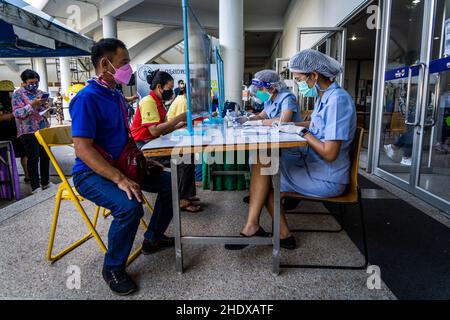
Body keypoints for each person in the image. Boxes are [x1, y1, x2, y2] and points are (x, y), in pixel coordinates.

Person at [70, 38, 175, 296]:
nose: (128, 68)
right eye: (124, 63)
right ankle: (113, 268)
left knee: (172, 184)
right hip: (90, 173)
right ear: (105, 64)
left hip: (120, 166)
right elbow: (83, 149)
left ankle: (152, 238)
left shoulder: (114, 95)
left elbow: (122, 138)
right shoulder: (87, 98)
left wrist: (140, 161)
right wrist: (119, 178)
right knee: (129, 207)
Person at [226, 49, 356, 251]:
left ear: (313, 75)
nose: (297, 84)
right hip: (313, 165)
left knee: (266, 173)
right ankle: (264, 229)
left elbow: (330, 152)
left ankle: (266, 230)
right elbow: (316, 124)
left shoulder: (337, 100)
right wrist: (300, 126)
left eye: (298, 79)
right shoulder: (325, 96)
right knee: (263, 159)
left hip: (326, 178)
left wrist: (301, 130)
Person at [131, 71, 202, 213]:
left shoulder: (160, 103)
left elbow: (164, 129)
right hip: (142, 146)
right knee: (182, 158)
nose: (172, 92)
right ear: (159, 87)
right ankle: (181, 199)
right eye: (169, 88)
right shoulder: (148, 102)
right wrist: (178, 119)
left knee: (187, 155)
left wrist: (181, 124)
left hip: (154, 141)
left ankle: (185, 194)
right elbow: (155, 131)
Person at [12, 70, 50, 194]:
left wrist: (46, 107)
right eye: (31, 82)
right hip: (27, 130)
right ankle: (35, 186)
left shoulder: (40, 93)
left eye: (36, 82)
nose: (34, 84)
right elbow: (17, 113)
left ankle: (46, 182)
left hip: (42, 128)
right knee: (33, 157)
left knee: (45, 156)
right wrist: (32, 105)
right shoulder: (18, 94)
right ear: (24, 82)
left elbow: (42, 110)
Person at [0, 96, 29, 183]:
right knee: (7, 156)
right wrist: (15, 113)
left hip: (17, 131)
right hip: (3, 134)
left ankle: (27, 175)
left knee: (24, 154)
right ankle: (10, 178)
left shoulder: (15, 101)